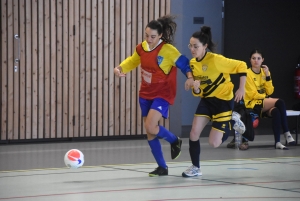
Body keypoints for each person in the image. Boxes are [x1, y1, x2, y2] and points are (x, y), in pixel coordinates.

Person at [113, 15, 194, 177]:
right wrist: (120, 69)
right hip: (145, 93)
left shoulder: (168, 51)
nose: (149, 39)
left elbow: (184, 64)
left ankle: (174, 140)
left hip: (163, 93)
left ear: (161, 35)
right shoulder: (141, 47)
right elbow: (132, 61)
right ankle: (162, 167)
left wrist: (191, 78)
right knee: (151, 131)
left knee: (150, 126)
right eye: (146, 35)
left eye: (153, 37)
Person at [182, 26, 247, 177]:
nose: (192, 49)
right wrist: (196, 88)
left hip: (223, 102)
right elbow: (198, 91)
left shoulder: (217, 60)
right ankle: (195, 167)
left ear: (205, 46)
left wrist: (241, 88)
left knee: (214, 143)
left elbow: (242, 65)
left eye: (196, 46)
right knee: (193, 133)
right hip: (207, 101)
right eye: (190, 46)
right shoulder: (193, 64)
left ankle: (232, 120)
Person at [227, 49, 296, 150]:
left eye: (258, 58)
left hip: (263, 103)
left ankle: (277, 142)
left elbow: (270, 91)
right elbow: (252, 94)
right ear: (250, 60)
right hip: (252, 104)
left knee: (276, 111)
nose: (256, 60)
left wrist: (268, 76)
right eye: (253, 58)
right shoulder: (247, 73)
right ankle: (287, 132)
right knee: (280, 102)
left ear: (262, 60)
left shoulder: (265, 72)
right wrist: (267, 98)